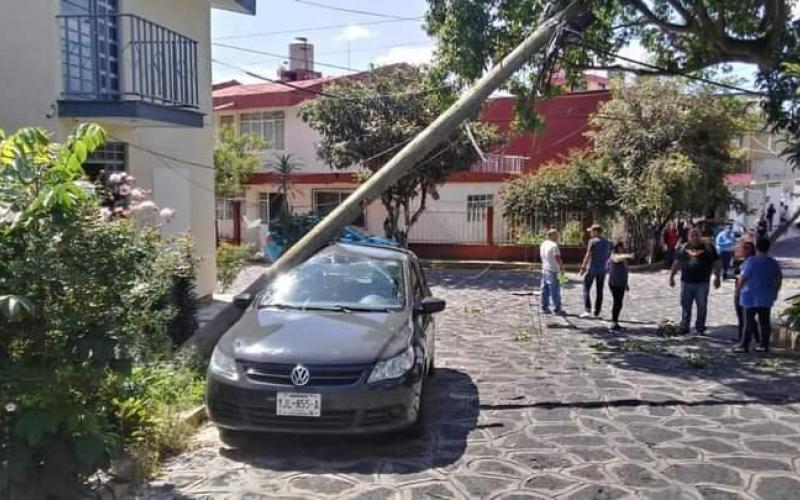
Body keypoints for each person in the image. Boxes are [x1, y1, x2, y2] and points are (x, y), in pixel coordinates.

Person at [670, 228, 722, 335]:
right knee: (685, 305)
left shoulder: (708, 248)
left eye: (696, 235)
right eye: (692, 235)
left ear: (700, 236)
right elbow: (677, 262)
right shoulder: (683, 248)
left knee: (701, 306)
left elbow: (717, 262)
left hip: (702, 283)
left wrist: (717, 277)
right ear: (688, 237)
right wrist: (672, 276)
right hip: (686, 282)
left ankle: (700, 327)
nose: (694, 237)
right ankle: (684, 326)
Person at [734, 238, 782, 353]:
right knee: (765, 322)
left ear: (756, 247)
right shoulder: (773, 262)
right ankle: (764, 345)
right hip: (766, 296)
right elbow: (778, 279)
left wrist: (738, 290)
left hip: (749, 296)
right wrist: (775, 292)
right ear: (768, 247)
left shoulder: (751, 261)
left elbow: (743, 277)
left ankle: (744, 345)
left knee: (748, 322)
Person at [579, 224, 612, 318]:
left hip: (592, 268)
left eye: (591, 231)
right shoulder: (607, 242)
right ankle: (597, 312)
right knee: (599, 290)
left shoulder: (592, 241)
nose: (590, 233)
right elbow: (608, 255)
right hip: (603, 269)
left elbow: (588, 255)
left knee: (586, 288)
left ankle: (587, 309)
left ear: (596, 232)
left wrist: (583, 267)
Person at [608, 241, 634, 332]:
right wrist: (627, 255)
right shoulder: (614, 256)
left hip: (621, 283)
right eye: (621, 247)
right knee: (617, 302)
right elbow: (616, 259)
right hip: (615, 283)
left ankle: (615, 322)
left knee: (619, 303)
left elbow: (625, 271)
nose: (623, 248)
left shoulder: (623, 258)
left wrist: (626, 283)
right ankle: (613, 323)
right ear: (617, 248)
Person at [733, 241, 757, 343]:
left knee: (745, 316)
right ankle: (755, 336)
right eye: (744, 248)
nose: (745, 250)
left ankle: (743, 338)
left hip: (746, 291)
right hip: (739, 289)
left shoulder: (753, 262)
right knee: (744, 315)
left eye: (748, 248)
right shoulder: (740, 261)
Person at [540, 228, 565, 315]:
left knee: (545, 289)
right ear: (552, 235)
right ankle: (557, 308)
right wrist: (562, 268)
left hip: (545, 269)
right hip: (554, 270)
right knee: (555, 290)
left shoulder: (543, 244)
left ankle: (544, 306)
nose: (557, 237)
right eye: (556, 235)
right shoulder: (554, 246)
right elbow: (558, 258)